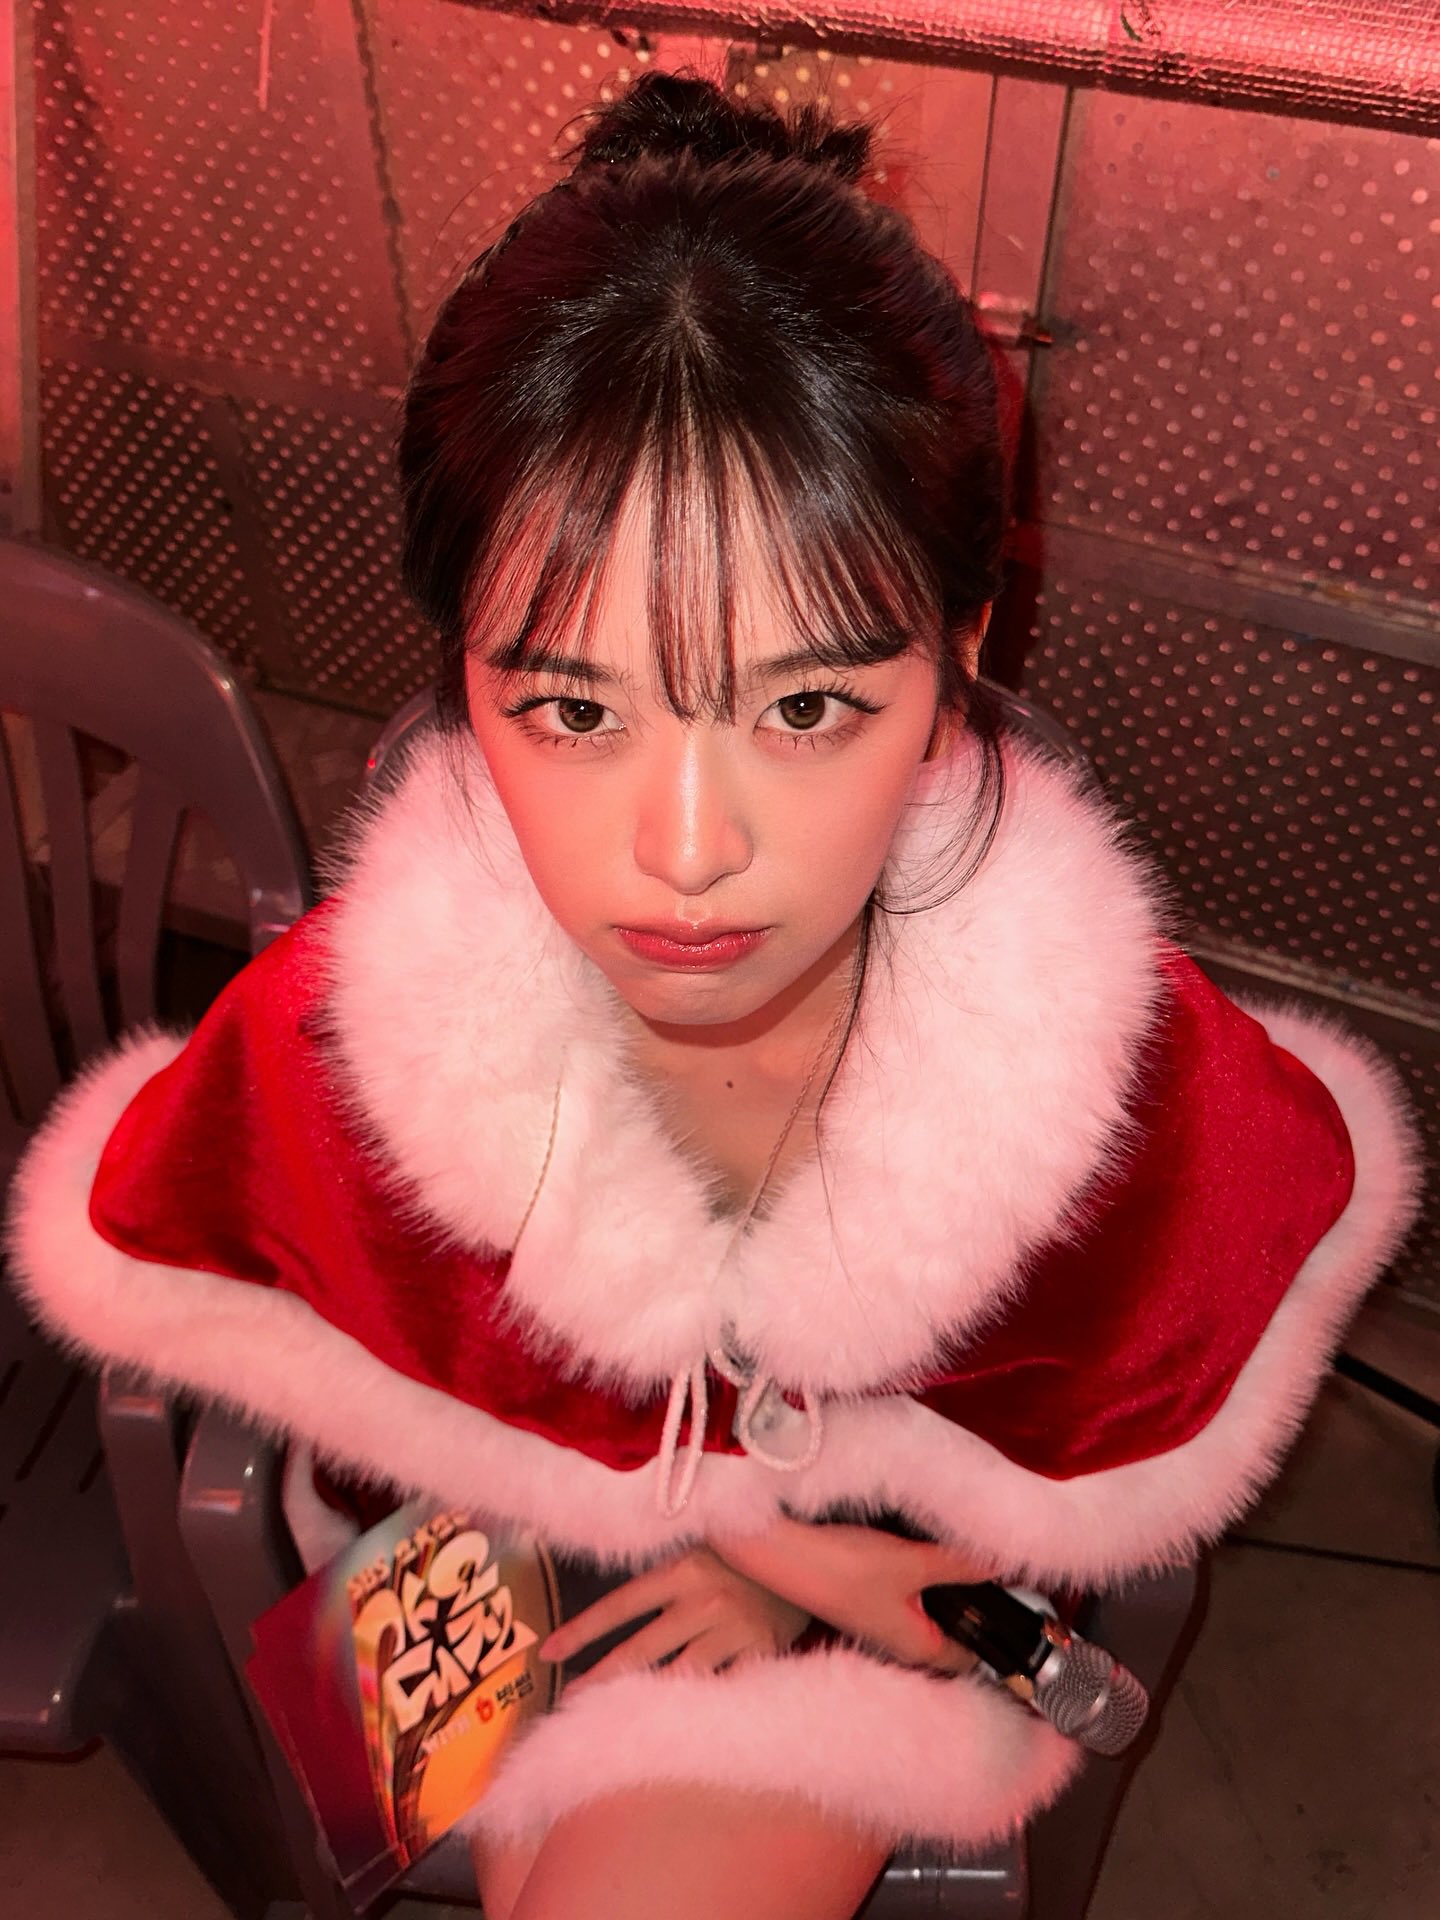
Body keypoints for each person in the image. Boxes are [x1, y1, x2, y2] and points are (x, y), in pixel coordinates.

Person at [6, 71, 1422, 1920]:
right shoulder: (366, 1025)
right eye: (572, 709)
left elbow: (1069, 1611)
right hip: (483, 1562)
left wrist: (814, 1568)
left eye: (806, 706)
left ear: (964, 651)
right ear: (458, 671)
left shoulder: (1109, 1089)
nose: (685, 854)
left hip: (837, 1636)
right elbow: (204, 1236)